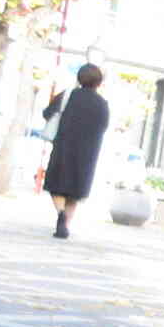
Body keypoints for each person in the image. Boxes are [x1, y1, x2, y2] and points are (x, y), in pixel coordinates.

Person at [42, 62, 109, 238]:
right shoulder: (102, 104)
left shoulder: (67, 96)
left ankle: (61, 215)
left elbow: (47, 113)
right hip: (87, 153)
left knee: (56, 186)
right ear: (99, 82)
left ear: (79, 78)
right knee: (75, 192)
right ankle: (65, 225)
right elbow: (103, 126)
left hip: (63, 147)